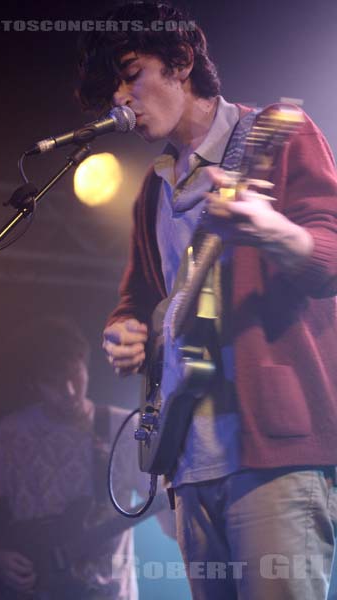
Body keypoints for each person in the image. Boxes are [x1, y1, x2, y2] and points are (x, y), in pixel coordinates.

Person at [78, 2, 337, 599]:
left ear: (181, 61)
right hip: (187, 463)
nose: (121, 98)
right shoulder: (153, 188)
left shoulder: (278, 133)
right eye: (111, 87)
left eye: (130, 72)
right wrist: (123, 331)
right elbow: (137, 299)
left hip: (274, 454)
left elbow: (329, 255)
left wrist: (268, 229)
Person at [0, 317, 170, 600]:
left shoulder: (126, 430)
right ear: (34, 383)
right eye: (54, 382)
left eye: (75, 374)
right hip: (33, 590)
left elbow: (167, 513)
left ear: (86, 366)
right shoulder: (9, 436)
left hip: (107, 592)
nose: (69, 391)